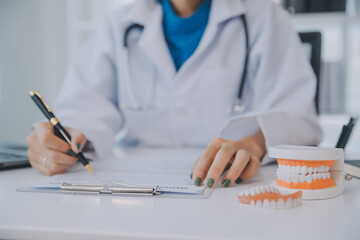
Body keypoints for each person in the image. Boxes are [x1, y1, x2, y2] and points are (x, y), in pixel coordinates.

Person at [27, 0, 322, 188]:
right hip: (135, 190)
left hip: (231, 189)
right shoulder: (118, 25)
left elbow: (299, 119)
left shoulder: (266, 18)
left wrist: (254, 143)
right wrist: (62, 142)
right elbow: (84, 109)